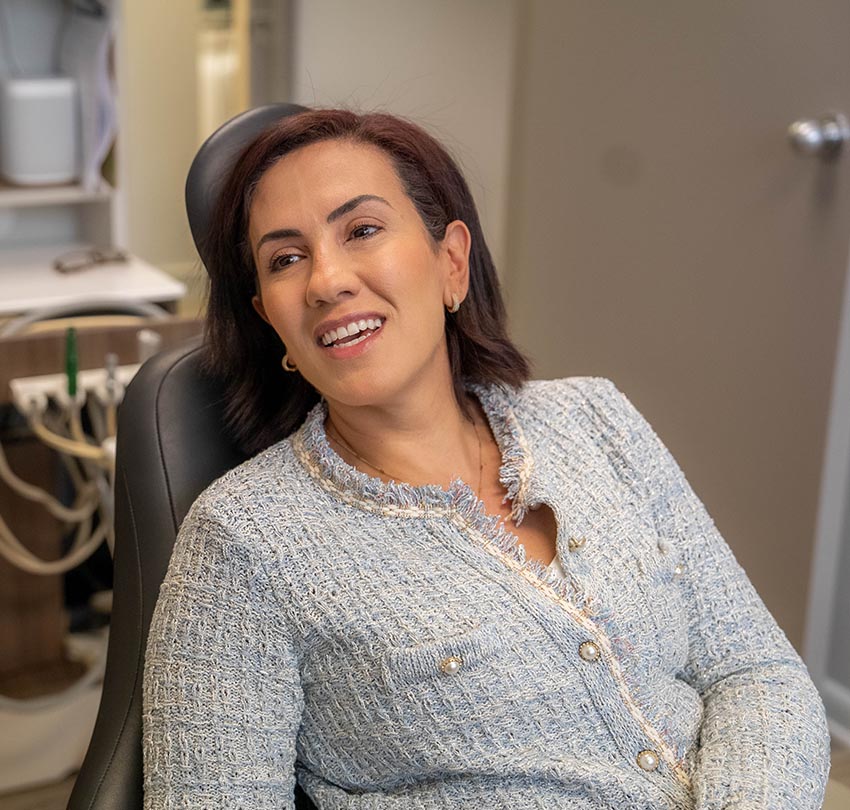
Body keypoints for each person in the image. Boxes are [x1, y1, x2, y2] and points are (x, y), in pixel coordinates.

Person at [142, 108, 829, 809]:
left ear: (451, 262)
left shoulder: (596, 417)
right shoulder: (243, 541)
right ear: (273, 322)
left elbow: (756, 670)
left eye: (363, 230)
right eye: (285, 260)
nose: (326, 280)